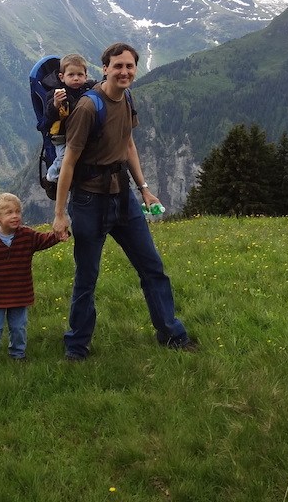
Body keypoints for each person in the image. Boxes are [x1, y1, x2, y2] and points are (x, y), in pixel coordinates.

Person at [51, 42, 197, 360]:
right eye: (118, 66)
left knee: (152, 267)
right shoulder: (88, 108)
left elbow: (128, 143)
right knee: (87, 278)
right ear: (105, 69)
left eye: (129, 66)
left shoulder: (127, 98)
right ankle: (76, 346)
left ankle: (172, 335)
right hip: (89, 201)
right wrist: (60, 214)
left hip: (123, 197)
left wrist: (144, 189)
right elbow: (69, 163)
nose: (124, 72)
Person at [0, 192, 67, 367]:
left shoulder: (27, 235)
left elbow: (44, 240)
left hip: (20, 293)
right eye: (9, 213)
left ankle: (18, 354)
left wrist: (58, 235)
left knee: (18, 327)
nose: (15, 216)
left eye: (18, 211)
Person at [43, 53, 98, 184]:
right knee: (64, 159)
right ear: (62, 77)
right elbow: (48, 115)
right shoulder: (56, 93)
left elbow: (101, 86)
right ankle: (52, 176)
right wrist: (55, 104)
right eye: (71, 75)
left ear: (86, 76)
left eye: (80, 75)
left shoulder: (88, 88)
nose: (76, 78)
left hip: (80, 134)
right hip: (62, 137)